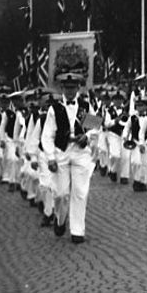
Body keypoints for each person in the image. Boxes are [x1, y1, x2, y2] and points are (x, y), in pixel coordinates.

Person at [40, 72, 95, 244]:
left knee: (80, 192)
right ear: (61, 88)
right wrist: (50, 157)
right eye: (66, 88)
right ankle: (60, 218)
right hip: (61, 151)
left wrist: (88, 136)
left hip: (80, 152)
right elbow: (47, 135)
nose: (70, 91)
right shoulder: (54, 108)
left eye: (73, 88)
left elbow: (95, 128)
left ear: (79, 88)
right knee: (61, 193)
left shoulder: (86, 106)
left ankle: (77, 230)